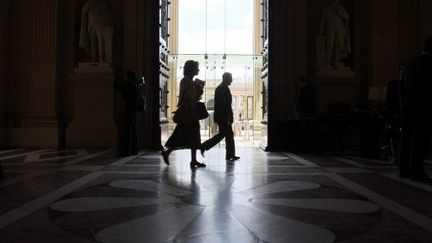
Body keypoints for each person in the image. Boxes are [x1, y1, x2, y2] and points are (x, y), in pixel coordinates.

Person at [399, 36, 432, 183]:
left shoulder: (410, 63)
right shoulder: (430, 63)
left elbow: (401, 86)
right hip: (424, 105)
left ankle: (404, 169)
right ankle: (417, 171)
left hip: (408, 106)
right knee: (420, 139)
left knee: (406, 137)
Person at [162, 60, 206, 168]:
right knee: (182, 135)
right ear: (192, 69)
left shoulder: (188, 80)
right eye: (197, 67)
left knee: (192, 136)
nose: (198, 69)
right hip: (188, 112)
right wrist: (197, 91)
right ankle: (167, 153)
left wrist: (198, 92)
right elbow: (189, 97)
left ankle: (193, 160)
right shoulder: (186, 81)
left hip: (190, 112)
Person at [200, 72, 240, 161]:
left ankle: (230, 155)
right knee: (224, 135)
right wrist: (228, 117)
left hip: (223, 117)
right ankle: (204, 146)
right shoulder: (223, 88)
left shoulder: (222, 88)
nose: (232, 80)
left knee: (228, 135)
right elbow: (224, 105)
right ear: (226, 78)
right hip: (224, 117)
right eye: (230, 78)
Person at [115, 71, 142, 157]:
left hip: (129, 108)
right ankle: (135, 149)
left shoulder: (127, 84)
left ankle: (126, 151)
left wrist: (117, 79)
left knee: (127, 131)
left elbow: (116, 87)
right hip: (135, 109)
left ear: (129, 77)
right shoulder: (136, 85)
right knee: (133, 130)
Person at [383, 63, 406, 165]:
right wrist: (393, 112)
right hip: (394, 113)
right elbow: (388, 99)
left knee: (404, 136)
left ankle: (403, 157)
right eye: (402, 69)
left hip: (406, 113)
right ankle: (396, 157)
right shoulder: (392, 84)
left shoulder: (409, 83)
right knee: (394, 136)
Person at [319, 0, 351, 67]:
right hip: (330, 30)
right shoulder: (327, 10)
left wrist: (340, 12)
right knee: (330, 45)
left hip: (340, 31)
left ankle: (336, 61)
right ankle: (328, 61)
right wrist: (321, 31)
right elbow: (323, 21)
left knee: (338, 46)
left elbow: (346, 17)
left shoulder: (341, 9)